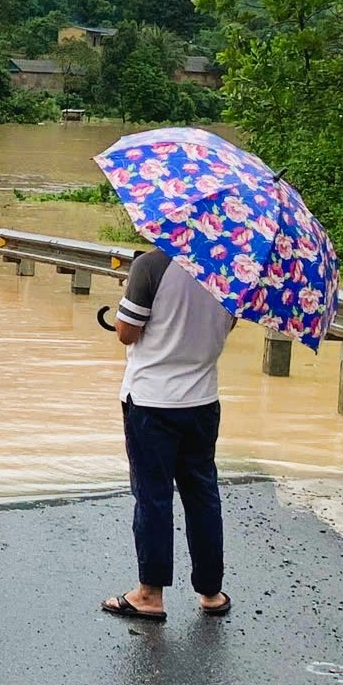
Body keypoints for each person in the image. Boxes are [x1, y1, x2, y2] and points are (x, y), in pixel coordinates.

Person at [100, 244, 237, 622]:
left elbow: (127, 333)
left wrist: (129, 293)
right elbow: (228, 325)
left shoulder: (150, 266)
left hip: (152, 402)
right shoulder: (228, 269)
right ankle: (211, 592)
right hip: (203, 401)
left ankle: (150, 594)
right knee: (202, 494)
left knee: (153, 495)